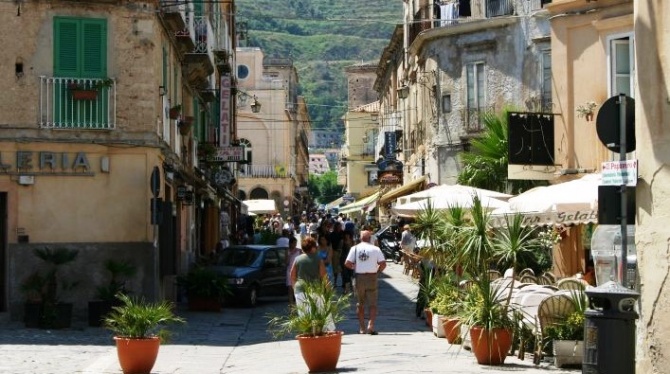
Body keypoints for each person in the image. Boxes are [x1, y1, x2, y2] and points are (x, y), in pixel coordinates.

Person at [345, 230, 386, 335]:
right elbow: (383, 264)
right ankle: (371, 325)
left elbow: (347, 263)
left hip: (359, 277)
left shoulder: (354, 248)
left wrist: (355, 267)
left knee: (360, 303)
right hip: (372, 277)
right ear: (370, 238)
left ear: (360, 238)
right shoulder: (375, 249)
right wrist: (377, 271)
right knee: (373, 304)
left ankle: (362, 327)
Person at [291, 237, 334, 331]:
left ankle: (307, 332)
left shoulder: (297, 259)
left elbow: (292, 275)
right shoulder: (318, 259)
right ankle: (327, 331)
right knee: (322, 311)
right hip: (315, 289)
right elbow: (324, 277)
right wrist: (328, 291)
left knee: (304, 314)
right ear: (313, 248)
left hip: (300, 289)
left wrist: (295, 288)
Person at [286, 236, 301, 304]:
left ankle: (298, 304)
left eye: (296, 243)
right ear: (290, 243)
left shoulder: (299, 251)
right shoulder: (287, 251)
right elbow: (286, 262)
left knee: (297, 289)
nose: (295, 245)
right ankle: (292, 307)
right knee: (290, 289)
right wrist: (290, 254)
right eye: (294, 243)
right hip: (289, 271)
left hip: (297, 271)